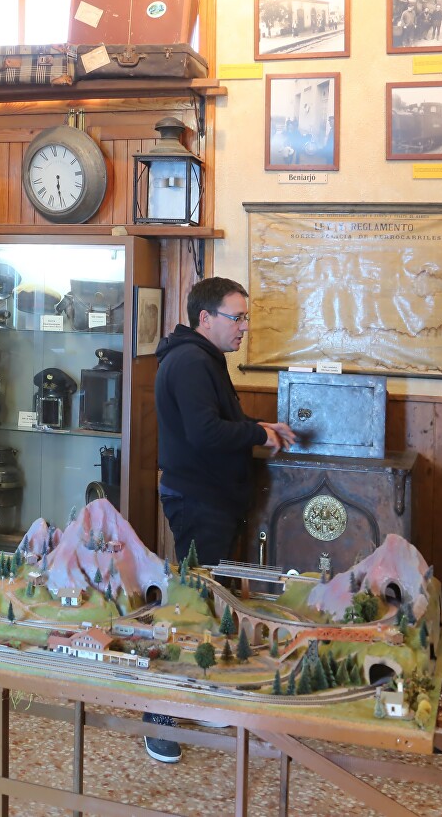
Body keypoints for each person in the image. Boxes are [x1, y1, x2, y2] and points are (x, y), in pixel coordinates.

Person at [141, 277, 295, 764]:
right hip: (198, 499)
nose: (244, 327)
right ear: (205, 319)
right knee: (189, 606)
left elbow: (213, 423)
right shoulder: (189, 362)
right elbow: (206, 433)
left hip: (213, 499)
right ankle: (157, 714)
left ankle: (200, 695)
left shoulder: (204, 359)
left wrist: (260, 430)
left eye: (246, 317)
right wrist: (259, 433)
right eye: (237, 317)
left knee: (209, 603)